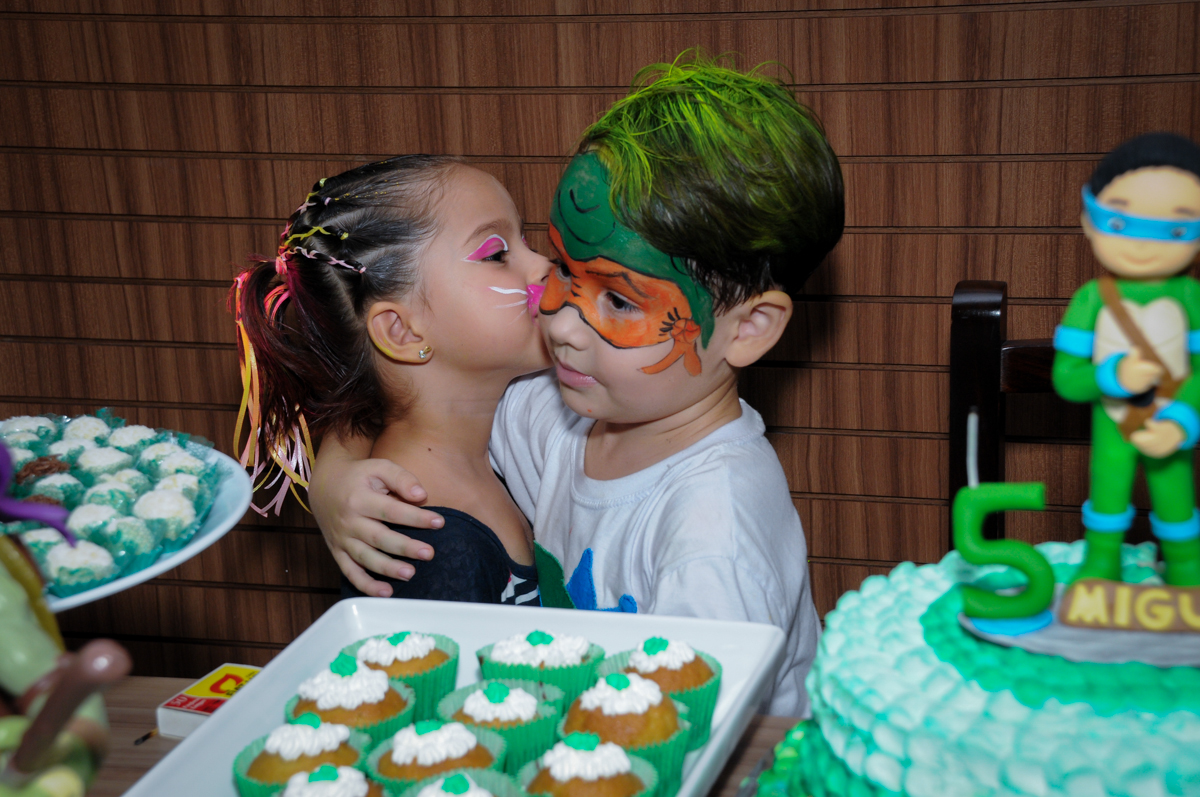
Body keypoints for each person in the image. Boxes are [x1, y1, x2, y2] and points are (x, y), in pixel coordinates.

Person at [313, 54, 845, 716]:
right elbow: (406, 392)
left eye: (619, 301)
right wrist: (333, 481)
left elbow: (693, 744)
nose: (560, 319)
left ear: (749, 328)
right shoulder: (557, 410)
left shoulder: (714, 546)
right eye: (565, 268)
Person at [232, 156, 551, 604]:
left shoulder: (496, 444)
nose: (544, 265)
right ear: (401, 333)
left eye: (525, 240)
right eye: (496, 254)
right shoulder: (429, 544)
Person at [1053, 132, 1200, 586]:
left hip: (1171, 420)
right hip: (1112, 423)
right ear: (1088, 219)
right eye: (1119, 222)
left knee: (1175, 498)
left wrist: (1183, 421)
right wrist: (1113, 375)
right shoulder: (1090, 299)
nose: (1143, 244)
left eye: (1176, 229)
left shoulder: (1191, 296)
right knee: (1108, 493)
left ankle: (1186, 567)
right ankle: (1102, 562)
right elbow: (1067, 379)